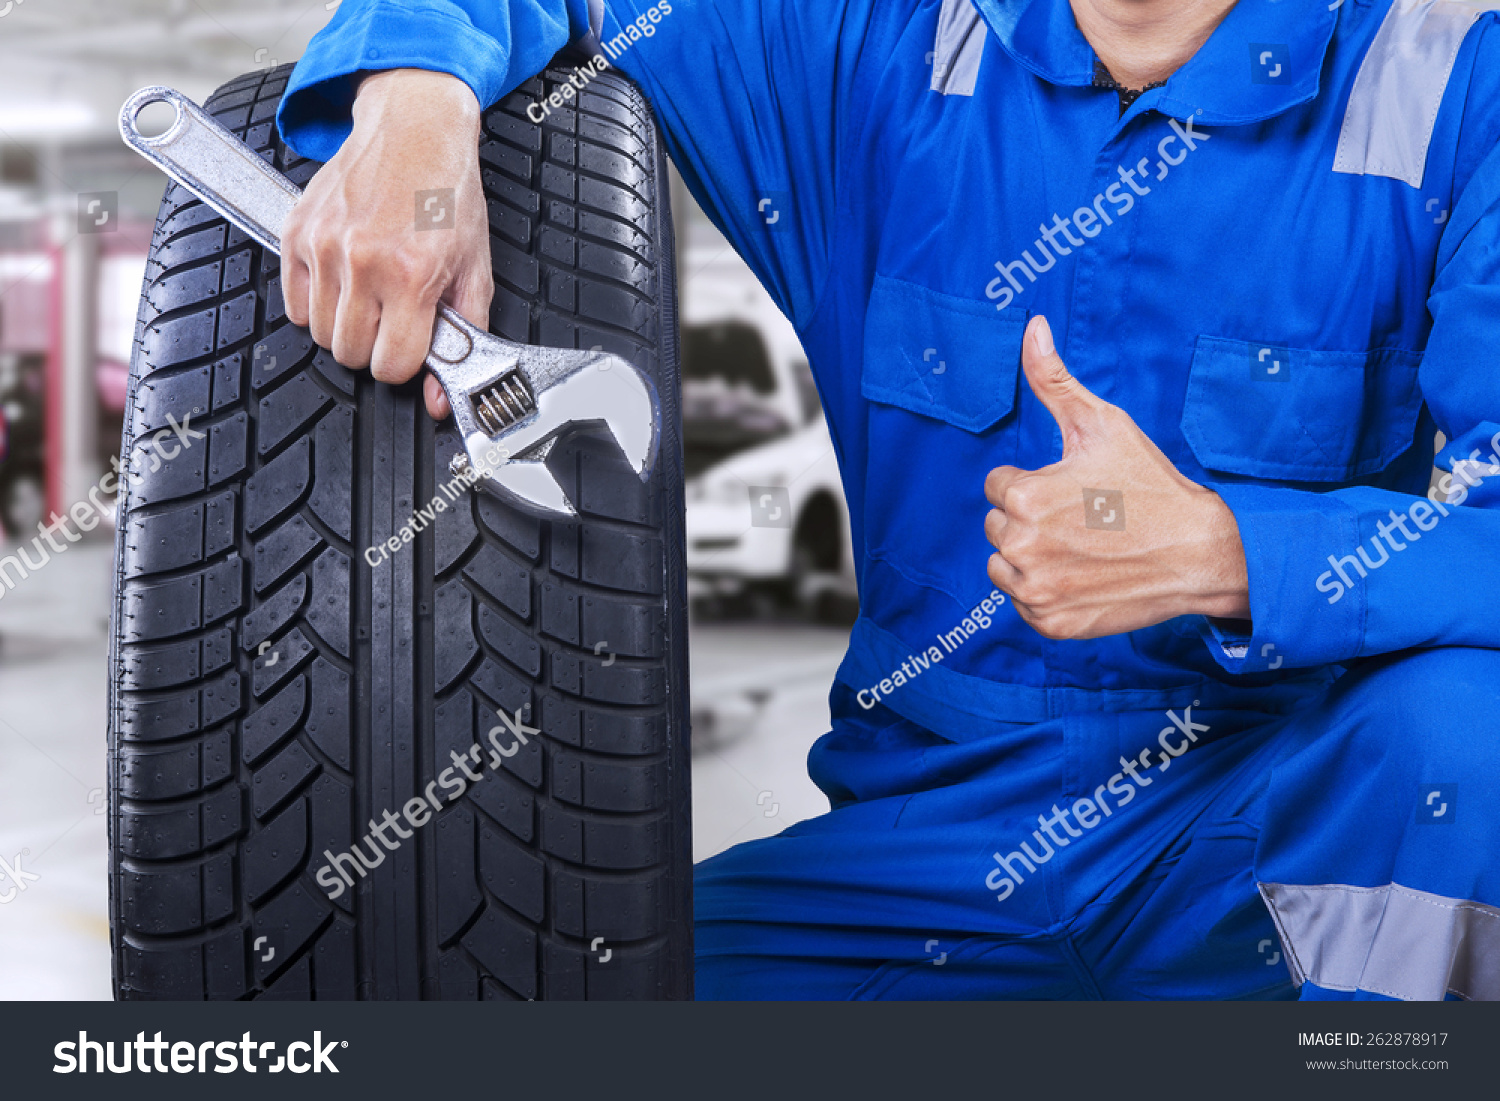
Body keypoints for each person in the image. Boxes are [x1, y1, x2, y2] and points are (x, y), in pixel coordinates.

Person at [276, 0, 1500, 999]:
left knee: (1466, 728)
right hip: (915, 861)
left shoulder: (1454, 88)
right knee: (535, 1005)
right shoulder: (872, 48)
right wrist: (416, 107)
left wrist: (1231, 554)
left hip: (1268, 829)